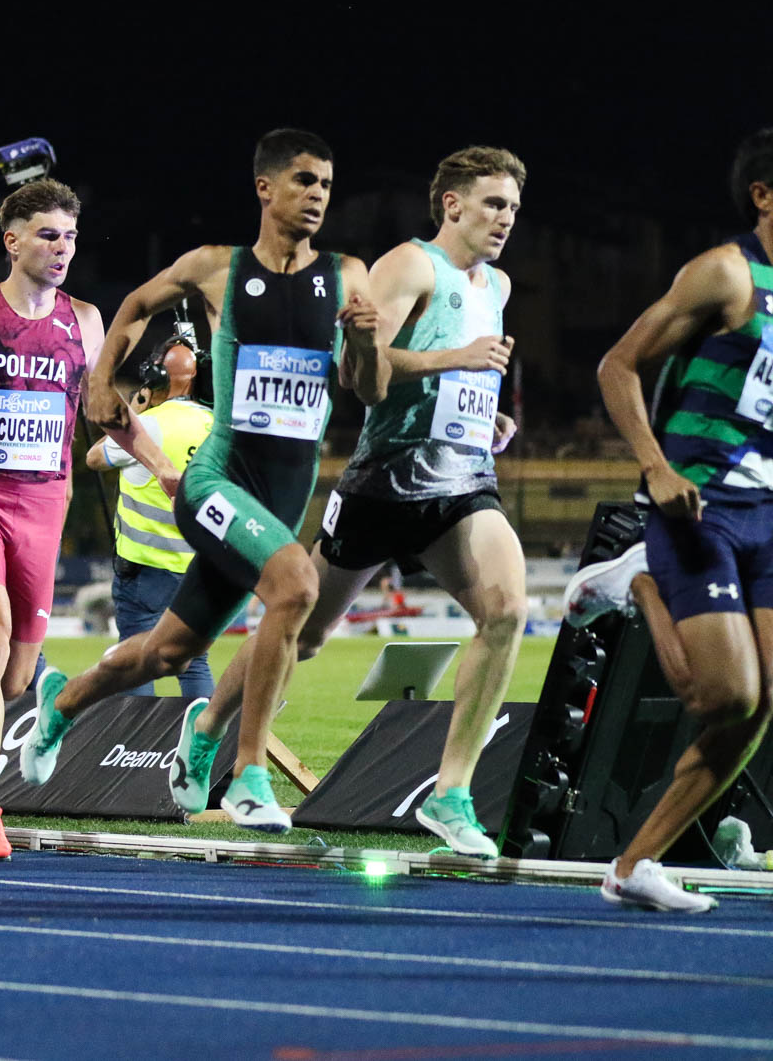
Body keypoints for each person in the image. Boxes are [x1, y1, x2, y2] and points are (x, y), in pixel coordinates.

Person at [19, 130, 387, 835]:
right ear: (265, 187)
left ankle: (61, 703)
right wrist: (101, 380)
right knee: (297, 587)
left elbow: (367, 389)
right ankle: (245, 772)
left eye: (326, 185)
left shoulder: (348, 275)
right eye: (304, 181)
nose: (317, 195)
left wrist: (366, 340)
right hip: (215, 482)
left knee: (167, 652)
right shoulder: (218, 267)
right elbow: (134, 304)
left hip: (278, 503)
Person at [0, 179, 178, 859]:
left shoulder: (86, 321)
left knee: (17, 676)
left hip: (45, 507)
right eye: (49, 235)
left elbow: (106, 411)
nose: (63, 248)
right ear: (12, 241)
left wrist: (166, 468)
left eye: (71, 237)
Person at [293, 146, 529, 858]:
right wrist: (458, 361)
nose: (506, 218)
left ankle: (451, 793)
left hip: (462, 482)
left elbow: (461, 379)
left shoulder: (498, 285)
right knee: (302, 633)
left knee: (507, 610)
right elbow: (358, 371)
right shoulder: (409, 264)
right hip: (383, 481)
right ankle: (210, 731)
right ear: (452, 204)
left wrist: (485, 415)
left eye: (514, 208)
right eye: (494, 203)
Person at [562, 128, 771, 912]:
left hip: (769, 514)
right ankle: (641, 583)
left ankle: (632, 865)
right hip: (699, 505)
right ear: (763, 194)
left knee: (762, 703)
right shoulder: (726, 273)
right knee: (725, 697)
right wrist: (654, 466)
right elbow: (617, 364)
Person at [85, 335, 216, 698]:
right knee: (194, 661)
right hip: (199, 567)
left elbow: (94, 457)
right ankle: (204, 734)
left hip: (146, 570)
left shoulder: (149, 426)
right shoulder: (215, 426)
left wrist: (134, 412)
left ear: (155, 379)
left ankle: (137, 736)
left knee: (136, 659)